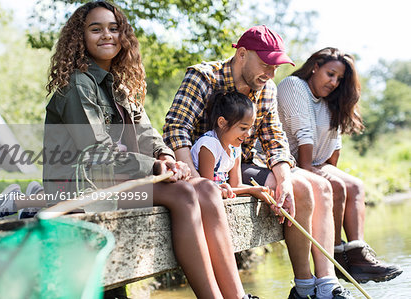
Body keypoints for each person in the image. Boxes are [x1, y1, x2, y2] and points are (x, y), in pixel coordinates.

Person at [0, 2, 259, 298]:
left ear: (123, 35)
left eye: (114, 28)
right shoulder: (78, 85)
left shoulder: (119, 87)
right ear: (80, 37)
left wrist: (165, 156)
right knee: (184, 194)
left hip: (117, 179)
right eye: (96, 29)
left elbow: (148, 134)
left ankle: (237, 296)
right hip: (84, 183)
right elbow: (97, 151)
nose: (107, 35)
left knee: (203, 188)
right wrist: (154, 167)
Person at [163, 25, 353, 299]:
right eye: (266, 64)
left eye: (276, 68)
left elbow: (275, 141)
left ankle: (321, 286)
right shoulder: (203, 77)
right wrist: (195, 179)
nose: (271, 74)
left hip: (240, 163)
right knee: (302, 187)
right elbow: (176, 128)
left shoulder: (267, 89)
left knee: (317, 187)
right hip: (200, 166)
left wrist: (285, 180)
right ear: (242, 54)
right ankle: (304, 288)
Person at [277, 47, 403, 283]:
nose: (334, 82)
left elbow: (333, 145)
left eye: (339, 79)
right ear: (315, 67)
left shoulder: (328, 101)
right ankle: (335, 256)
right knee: (334, 184)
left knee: (354, 186)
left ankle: (358, 256)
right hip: (287, 161)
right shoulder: (294, 86)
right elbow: (303, 132)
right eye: (330, 74)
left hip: (313, 162)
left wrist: (326, 169)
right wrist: (311, 169)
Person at [190, 90, 274, 202]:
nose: (248, 134)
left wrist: (259, 190)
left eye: (250, 128)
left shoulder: (235, 147)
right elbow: (207, 190)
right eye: (243, 128)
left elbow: (237, 185)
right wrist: (250, 191)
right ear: (222, 123)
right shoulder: (209, 145)